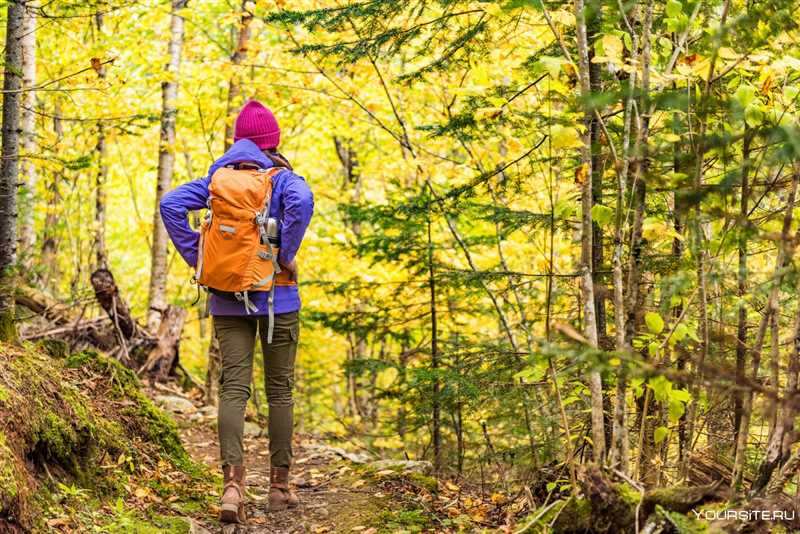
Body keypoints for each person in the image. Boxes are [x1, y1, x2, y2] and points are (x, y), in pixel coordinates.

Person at [160, 100, 314, 523]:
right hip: (278, 299)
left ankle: (232, 486)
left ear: (237, 142)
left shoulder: (216, 179)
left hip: (227, 300)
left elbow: (171, 204)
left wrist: (201, 260)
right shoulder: (282, 179)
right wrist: (286, 253)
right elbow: (302, 200)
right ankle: (279, 489)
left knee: (233, 390)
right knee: (280, 391)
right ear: (273, 142)